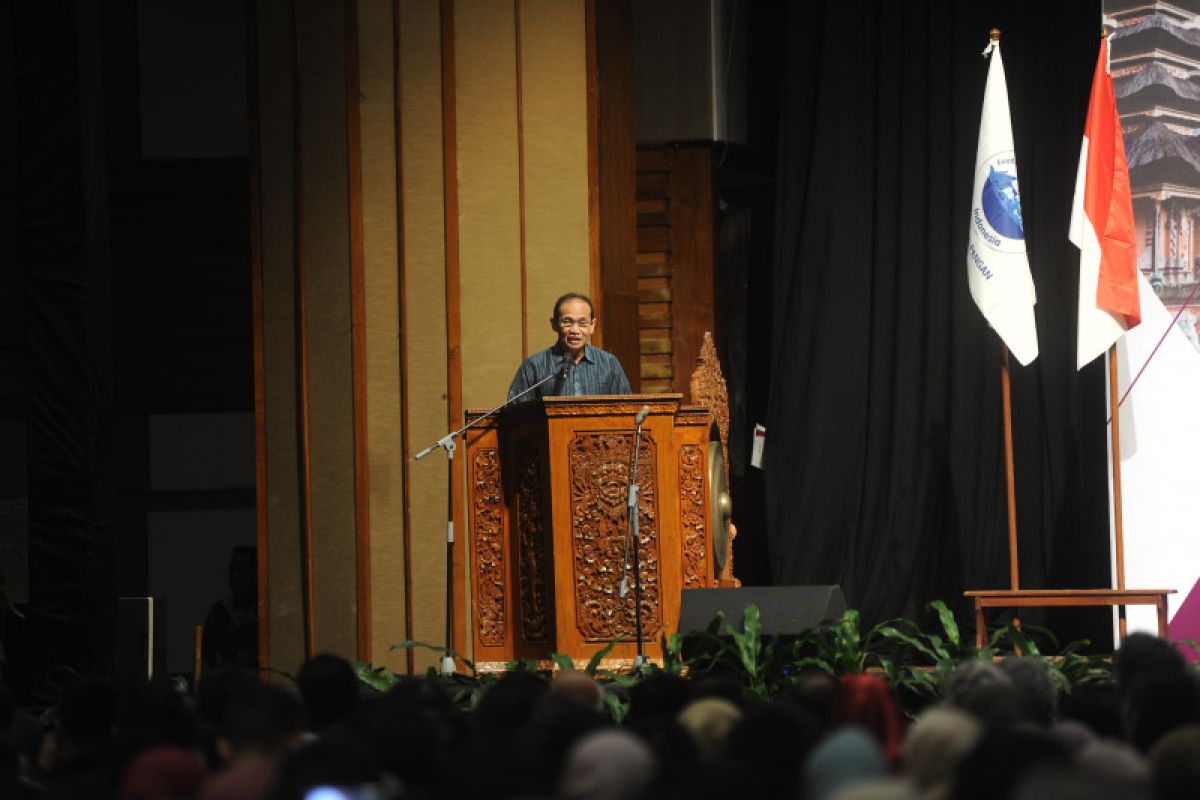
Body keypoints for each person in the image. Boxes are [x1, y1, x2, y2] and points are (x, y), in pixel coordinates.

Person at [507, 292, 631, 401]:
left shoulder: (609, 364)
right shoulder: (534, 366)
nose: (575, 330)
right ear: (554, 324)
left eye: (582, 323)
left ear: (592, 326)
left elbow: (627, 410)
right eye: (567, 322)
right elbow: (516, 414)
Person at [201, 546, 258, 672]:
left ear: (255, 574)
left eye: (240, 570)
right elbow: (208, 657)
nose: (233, 577)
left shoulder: (265, 611)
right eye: (231, 570)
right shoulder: (219, 612)